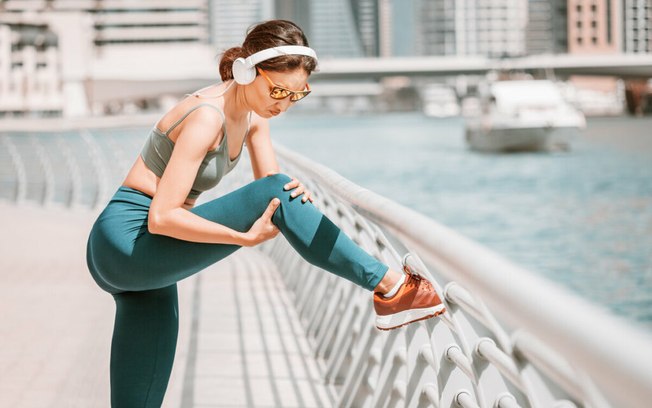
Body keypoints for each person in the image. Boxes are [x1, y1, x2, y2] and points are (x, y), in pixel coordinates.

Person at [85, 19, 445, 407]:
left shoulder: (255, 121)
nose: (283, 103)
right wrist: (242, 238)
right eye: (277, 90)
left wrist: (293, 194)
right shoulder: (207, 116)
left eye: (296, 95)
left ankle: (391, 289)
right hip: (128, 239)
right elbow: (163, 216)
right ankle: (390, 286)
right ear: (246, 71)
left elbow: (274, 192)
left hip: (145, 261)